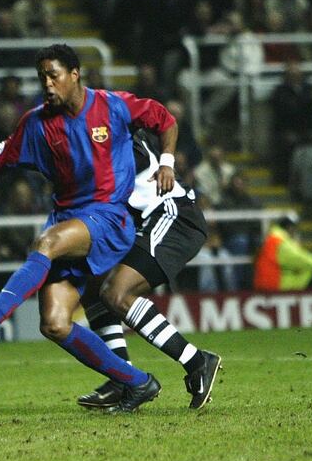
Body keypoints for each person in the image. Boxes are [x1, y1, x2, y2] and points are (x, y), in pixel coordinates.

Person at [0, 44, 177, 412]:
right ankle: (138, 382)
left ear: (75, 74)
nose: (47, 84)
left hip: (110, 217)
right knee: (55, 323)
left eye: (53, 75)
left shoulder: (112, 105)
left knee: (44, 244)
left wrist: (167, 162)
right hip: (68, 221)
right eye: (42, 77)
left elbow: (164, 119)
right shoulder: (36, 123)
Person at [77, 129, 221, 410]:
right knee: (93, 286)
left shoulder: (112, 136)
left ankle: (197, 361)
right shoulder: (96, 135)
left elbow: (149, 142)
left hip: (172, 215)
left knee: (117, 294)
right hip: (145, 222)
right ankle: (122, 379)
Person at [254, 216, 312, 291]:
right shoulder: (279, 242)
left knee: (307, 271)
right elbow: (301, 259)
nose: (295, 232)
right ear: (290, 228)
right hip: (274, 283)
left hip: (267, 280)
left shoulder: (273, 238)